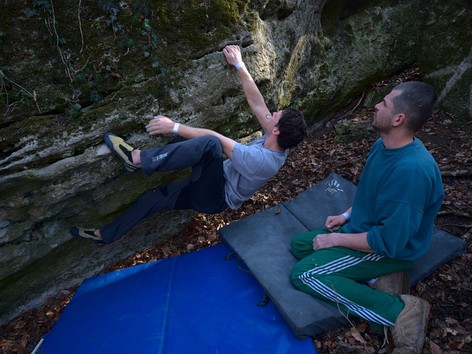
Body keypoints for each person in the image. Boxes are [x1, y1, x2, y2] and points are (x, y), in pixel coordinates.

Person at [70, 44, 307, 244]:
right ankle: (105, 235)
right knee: (152, 199)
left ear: (276, 130)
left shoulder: (262, 162)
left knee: (210, 146)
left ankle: (137, 159)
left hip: (214, 197)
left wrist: (172, 126)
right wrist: (239, 65)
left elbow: (215, 139)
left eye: (277, 114)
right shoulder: (280, 139)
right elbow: (257, 103)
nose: (273, 112)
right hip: (209, 182)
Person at [290, 81, 443, 353]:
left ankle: (400, 311)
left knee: (305, 275)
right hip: (365, 230)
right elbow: (372, 194)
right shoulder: (383, 145)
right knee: (301, 244)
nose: (376, 105)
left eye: (384, 103)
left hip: (389, 249)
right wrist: (347, 215)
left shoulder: (411, 173)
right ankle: (379, 279)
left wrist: (335, 239)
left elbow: (389, 242)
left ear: (398, 119)